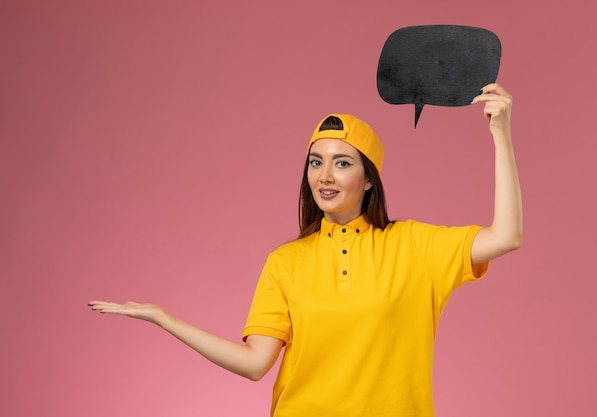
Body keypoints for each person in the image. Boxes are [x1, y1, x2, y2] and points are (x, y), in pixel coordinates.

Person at [89, 83, 522, 417]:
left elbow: (506, 236)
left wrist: (500, 133)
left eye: (343, 162)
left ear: (369, 178)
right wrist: (163, 318)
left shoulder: (415, 244)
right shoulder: (286, 262)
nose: (325, 176)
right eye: (316, 162)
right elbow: (256, 363)